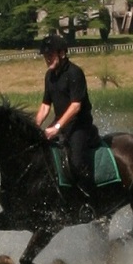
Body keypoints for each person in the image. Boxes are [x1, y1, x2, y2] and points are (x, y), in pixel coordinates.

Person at [34, 34, 100, 201]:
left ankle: (91, 201)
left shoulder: (75, 73)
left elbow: (76, 106)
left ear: (62, 53)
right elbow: (45, 105)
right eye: (45, 57)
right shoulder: (49, 76)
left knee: (76, 162)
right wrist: (35, 126)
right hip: (61, 124)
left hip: (80, 126)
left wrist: (56, 128)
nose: (47, 59)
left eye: (50, 55)